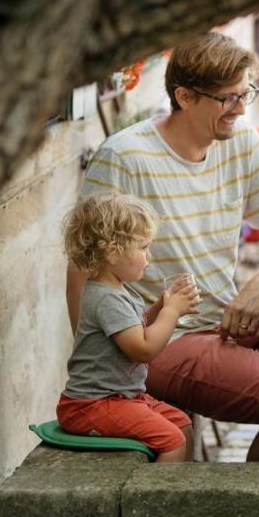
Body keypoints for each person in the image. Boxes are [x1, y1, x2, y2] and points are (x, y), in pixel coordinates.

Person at [68, 32, 259, 462]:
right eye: (227, 98)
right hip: (163, 339)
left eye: (245, 94)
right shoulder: (124, 157)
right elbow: (82, 268)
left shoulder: (241, 144)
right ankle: (254, 514)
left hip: (227, 324)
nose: (239, 109)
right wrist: (105, 374)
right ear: (184, 96)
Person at [57, 193, 202, 463]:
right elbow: (142, 349)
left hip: (120, 397)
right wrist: (172, 312)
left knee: (182, 424)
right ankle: (154, 501)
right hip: (91, 405)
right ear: (112, 253)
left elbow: (133, 328)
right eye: (143, 247)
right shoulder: (106, 298)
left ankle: (180, 489)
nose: (149, 256)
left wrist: (161, 305)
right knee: (172, 440)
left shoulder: (115, 290)